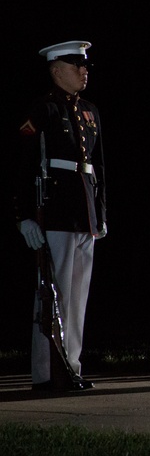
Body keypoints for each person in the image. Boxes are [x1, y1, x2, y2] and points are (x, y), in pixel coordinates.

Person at [15, 40, 106, 392]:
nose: (84, 71)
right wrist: (24, 215)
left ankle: (71, 365)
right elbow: (24, 165)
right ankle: (46, 371)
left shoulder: (90, 111)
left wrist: (100, 213)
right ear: (56, 71)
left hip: (83, 210)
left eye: (84, 66)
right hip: (55, 209)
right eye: (75, 66)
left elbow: (98, 168)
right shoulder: (44, 109)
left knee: (77, 296)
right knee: (51, 293)